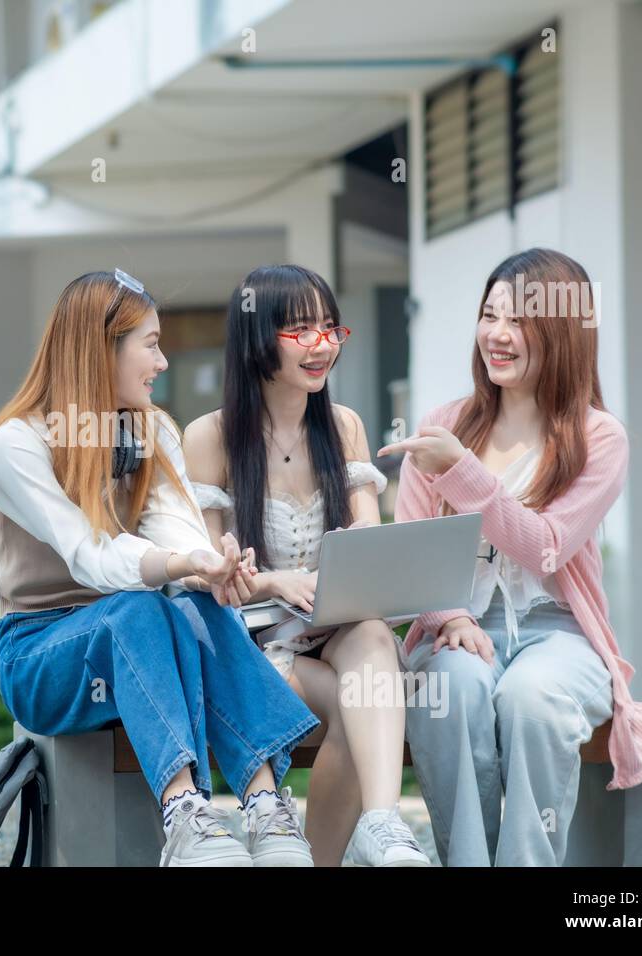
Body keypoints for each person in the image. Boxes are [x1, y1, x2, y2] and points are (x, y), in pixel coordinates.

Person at [0, 269, 320, 866]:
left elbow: (177, 531)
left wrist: (212, 565)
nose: (162, 362)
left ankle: (264, 806)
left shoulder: (151, 428)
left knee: (192, 601)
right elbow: (93, 556)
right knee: (139, 607)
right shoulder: (17, 444)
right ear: (100, 347)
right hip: (41, 651)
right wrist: (185, 562)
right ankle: (186, 815)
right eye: (152, 344)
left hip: (143, 635)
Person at [380, 248, 642, 866]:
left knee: (533, 698)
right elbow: (409, 551)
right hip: (454, 631)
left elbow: (543, 545)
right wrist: (448, 616)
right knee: (452, 689)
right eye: (489, 315)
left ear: (562, 331)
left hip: (560, 637)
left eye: (518, 321)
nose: (498, 335)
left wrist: (461, 471)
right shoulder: (443, 424)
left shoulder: (598, 437)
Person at [184, 264, 429, 866]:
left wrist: (348, 585)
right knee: (355, 707)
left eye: (329, 328)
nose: (322, 345)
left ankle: (383, 827)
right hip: (255, 644)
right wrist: (273, 581)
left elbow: (370, 541)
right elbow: (201, 571)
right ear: (257, 337)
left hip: (337, 627)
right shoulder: (209, 437)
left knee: (373, 635)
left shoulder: (343, 427)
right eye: (300, 330)